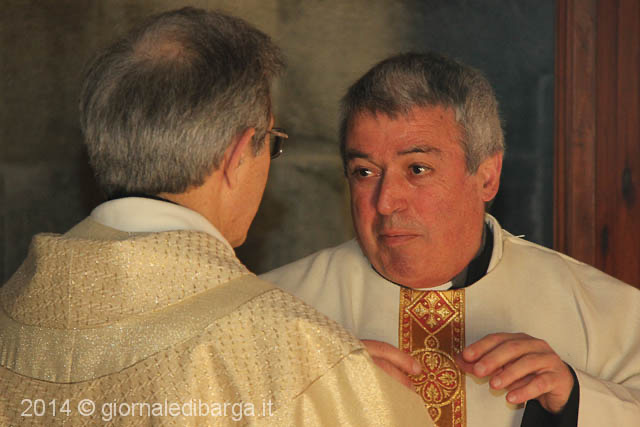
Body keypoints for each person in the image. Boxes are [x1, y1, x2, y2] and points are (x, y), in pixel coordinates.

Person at [0, 9, 435, 426]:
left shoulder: (12, 311)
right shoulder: (292, 358)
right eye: (271, 143)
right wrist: (330, 382)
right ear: (236, 154)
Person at [262, 52, 640, 426]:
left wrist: (575, 402)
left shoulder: (607, 315)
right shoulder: (271, 311)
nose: (386, 201)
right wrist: (307, 406)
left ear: (487, 177)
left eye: (417, 169)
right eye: (364, 172)